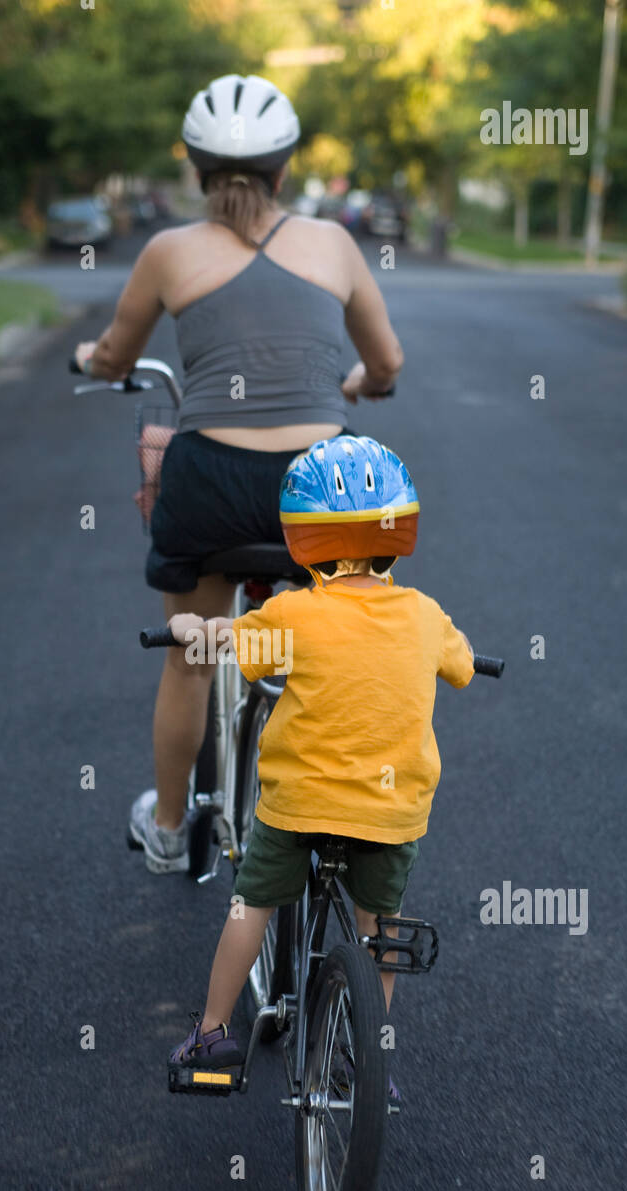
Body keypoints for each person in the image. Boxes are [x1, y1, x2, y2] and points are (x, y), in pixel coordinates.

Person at [73, 74, 404, 873]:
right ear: (284, 171)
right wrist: (355, 387)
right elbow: (385, 365)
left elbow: (115, 355)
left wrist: (91, 358)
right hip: (326, 483)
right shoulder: (332, 244)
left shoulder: (168, 251)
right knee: (344, 646)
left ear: (194, 169)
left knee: (190, 652)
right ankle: (350, 814)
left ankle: (168, 826)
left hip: (213, 480)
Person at [164, 435, 474, 1089]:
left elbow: (229, 644)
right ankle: (360, 1055)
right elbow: (464, 668)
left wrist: (196, 630)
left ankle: (214, 1041)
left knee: (251, 905)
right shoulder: (423, 615)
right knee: (379, 929)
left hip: (297, 807)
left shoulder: (294, 616)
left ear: (301, 540)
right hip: (390, 813)